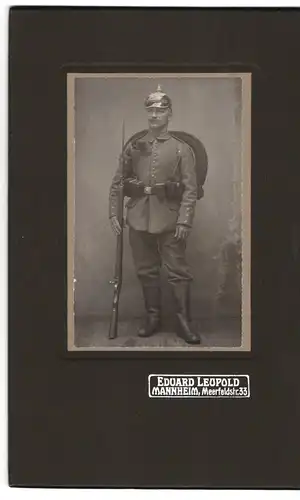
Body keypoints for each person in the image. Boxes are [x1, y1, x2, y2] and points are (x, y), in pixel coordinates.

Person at [109, 85, 200, 344]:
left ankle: (183, 322)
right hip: (138, 218)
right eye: (150, 110)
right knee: (146, 270)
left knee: (178, 271)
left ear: (170, 114)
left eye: (160, 110)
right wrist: (114, 213)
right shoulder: (134, 147)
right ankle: (152, 317)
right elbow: (118, 182)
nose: (154, 115)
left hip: (170, 219)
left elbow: (190, 190)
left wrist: (184, 219)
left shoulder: (182, 149)